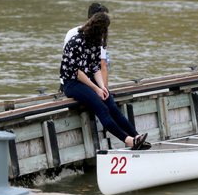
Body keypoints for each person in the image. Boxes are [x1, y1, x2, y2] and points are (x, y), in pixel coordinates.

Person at [60, 12, 148, 150]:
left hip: (87, 81)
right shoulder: (76, 42)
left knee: (112, 106)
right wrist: (96, 89)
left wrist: (103, 87)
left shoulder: (95, 42)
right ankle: (128, 140)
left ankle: (136, 136)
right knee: (101, 107)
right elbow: (77, 73)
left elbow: (95, 68)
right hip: (72, 83)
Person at [62, 2, 110, 88]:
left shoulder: (71, 32)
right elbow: (102, 65)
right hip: (85, 83)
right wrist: (105, 89)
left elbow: (66, 60)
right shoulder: (97, 36)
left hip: (66, 81)